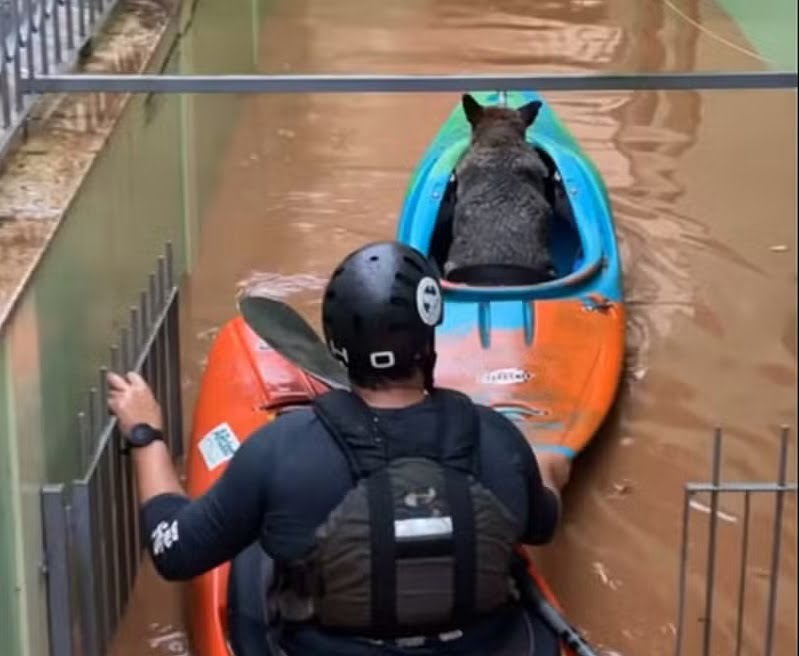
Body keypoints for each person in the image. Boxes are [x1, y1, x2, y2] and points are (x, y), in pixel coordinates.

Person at [108, 241, 571, 655]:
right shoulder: (497, 441)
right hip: (485, 644)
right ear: (429, 338)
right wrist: (549, 468)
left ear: (337, 344)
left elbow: (174, 552)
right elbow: (541, 525)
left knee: (256, 541)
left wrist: (146, 435)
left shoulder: (279, 451)